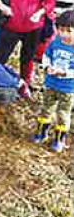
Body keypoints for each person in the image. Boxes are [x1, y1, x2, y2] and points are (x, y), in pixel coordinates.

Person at [31, 10, 74, 153]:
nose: (64, 34)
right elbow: (46, 56)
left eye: (69, 31)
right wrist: (47, 66)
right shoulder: (55, 43)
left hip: (68, 88)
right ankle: (41, 133)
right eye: (61, 30)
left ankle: (59, 139)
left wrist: (63, 73)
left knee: (63, 114)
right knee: (46, 108)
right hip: (51, 84)